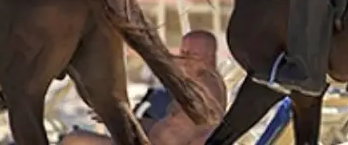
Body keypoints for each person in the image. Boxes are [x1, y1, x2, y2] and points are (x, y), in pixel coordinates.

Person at [60, 30, 227, 145]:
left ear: (210, 57)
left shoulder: (208, 86)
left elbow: (176, 64)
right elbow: (160, 127)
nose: (183, 59)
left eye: (191, 55)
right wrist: (124, 119)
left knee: (72, 141)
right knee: (73, 138)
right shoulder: (190, 88)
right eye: (182, 52)